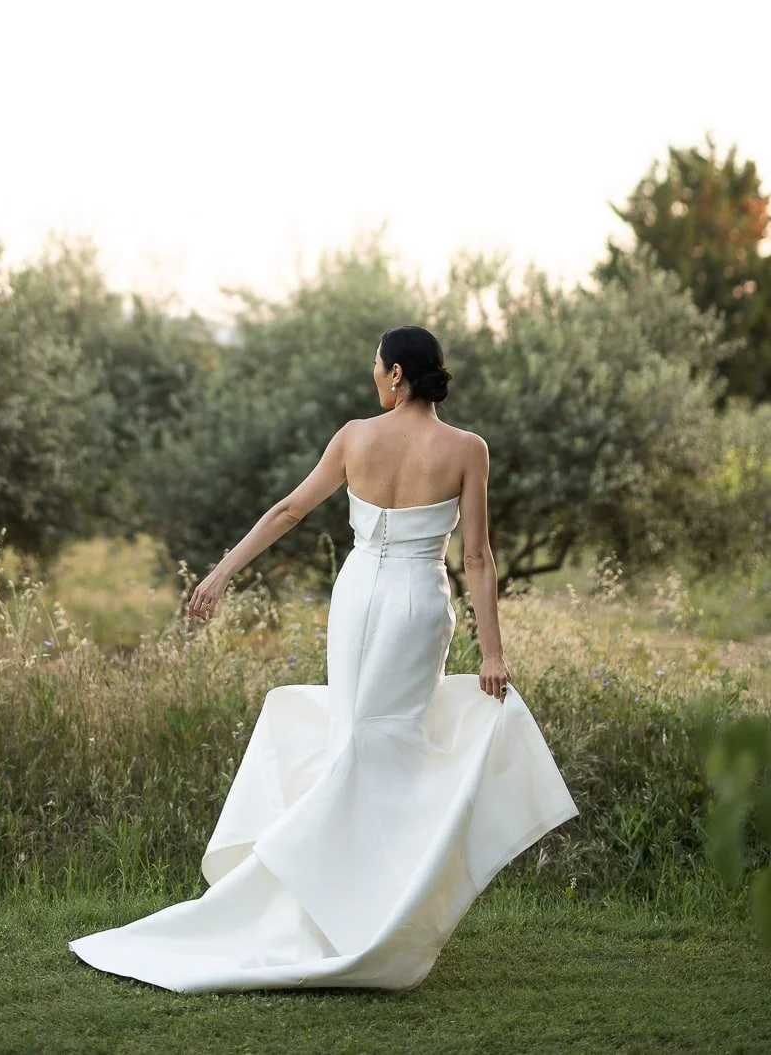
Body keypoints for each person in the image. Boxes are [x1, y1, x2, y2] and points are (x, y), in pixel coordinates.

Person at [69, 325, 578, 992]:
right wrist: (491, 652)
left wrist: (221, 573)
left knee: (360, 740)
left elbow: (289, 511)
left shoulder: (355, 436)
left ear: (397, 375)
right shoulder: (466, 449)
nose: (372, 375)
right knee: (378, 743)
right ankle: (352, 909)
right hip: (416, 604)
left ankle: (343, 906)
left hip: (359, 592)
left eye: (375, 365)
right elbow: (477, 557)